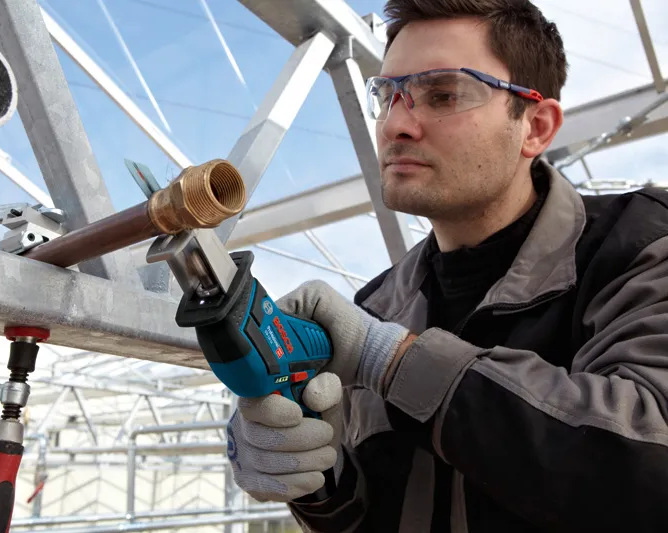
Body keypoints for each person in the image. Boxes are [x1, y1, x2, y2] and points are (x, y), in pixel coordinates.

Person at [225, 0, 668, 532]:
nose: (396, 125)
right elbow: (366, 518)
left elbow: (648, 467)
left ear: (536, 126)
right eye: (388, 95)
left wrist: (390, 361)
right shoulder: (377, 306)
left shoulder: (640, 246)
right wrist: (314, 477)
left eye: (443, 94)